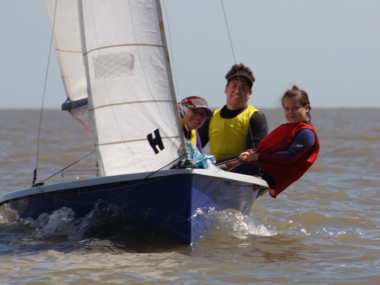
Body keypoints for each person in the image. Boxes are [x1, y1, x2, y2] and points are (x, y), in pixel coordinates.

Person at [238, 85, 320, 198]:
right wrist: (251, 154)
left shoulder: (306, 133)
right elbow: (273, 151)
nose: (291, 112)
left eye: (295, 107)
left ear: (306, 108)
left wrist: (256, 156)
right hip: (256, 170)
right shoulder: (291, 128)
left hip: (264, 175)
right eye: (286, 108)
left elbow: (289, 157)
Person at [198, 63, 268, 171]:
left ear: (250, 93)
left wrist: (220, 168)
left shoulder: (256, 118)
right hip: (212, 173)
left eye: (243, 88)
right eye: (234, 86)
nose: (237, 91)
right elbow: (195, 147)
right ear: (226, 89)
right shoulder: (211, 117)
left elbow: (253, 156)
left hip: (240, 174)